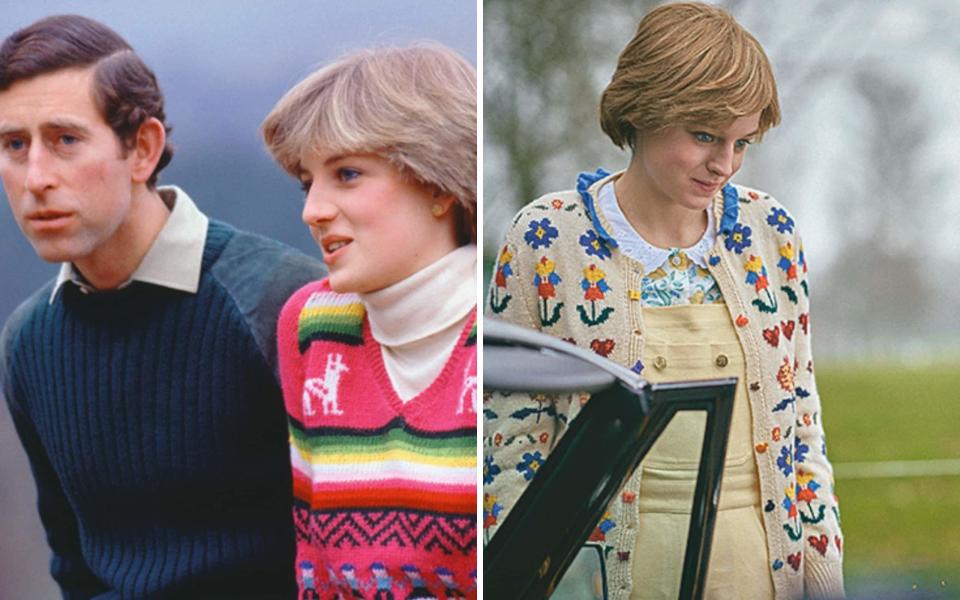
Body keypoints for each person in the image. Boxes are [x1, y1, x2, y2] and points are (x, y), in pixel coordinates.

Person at [483, 3, 844, 599]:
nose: (723, 165)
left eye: (741, 142)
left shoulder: (770, 232)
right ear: (644, 111)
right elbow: (511, 442)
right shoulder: (548, 238)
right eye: (704, 136)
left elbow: (802, 425)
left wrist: (825, 583)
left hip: (759, 574)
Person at [0, 15, 325, 598]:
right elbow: (73, 566)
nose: (36, 178)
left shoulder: (281, 302)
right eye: (13, 145)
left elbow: (354, 551)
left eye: (65, 140)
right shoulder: (28, 343)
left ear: (143, 149)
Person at [261, 43, 478, 598]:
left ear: (437, 185)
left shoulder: (503, 332)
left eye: (348, 174)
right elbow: (312, 561)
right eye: (308, 183)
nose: (313, 211)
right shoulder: (310, 326)